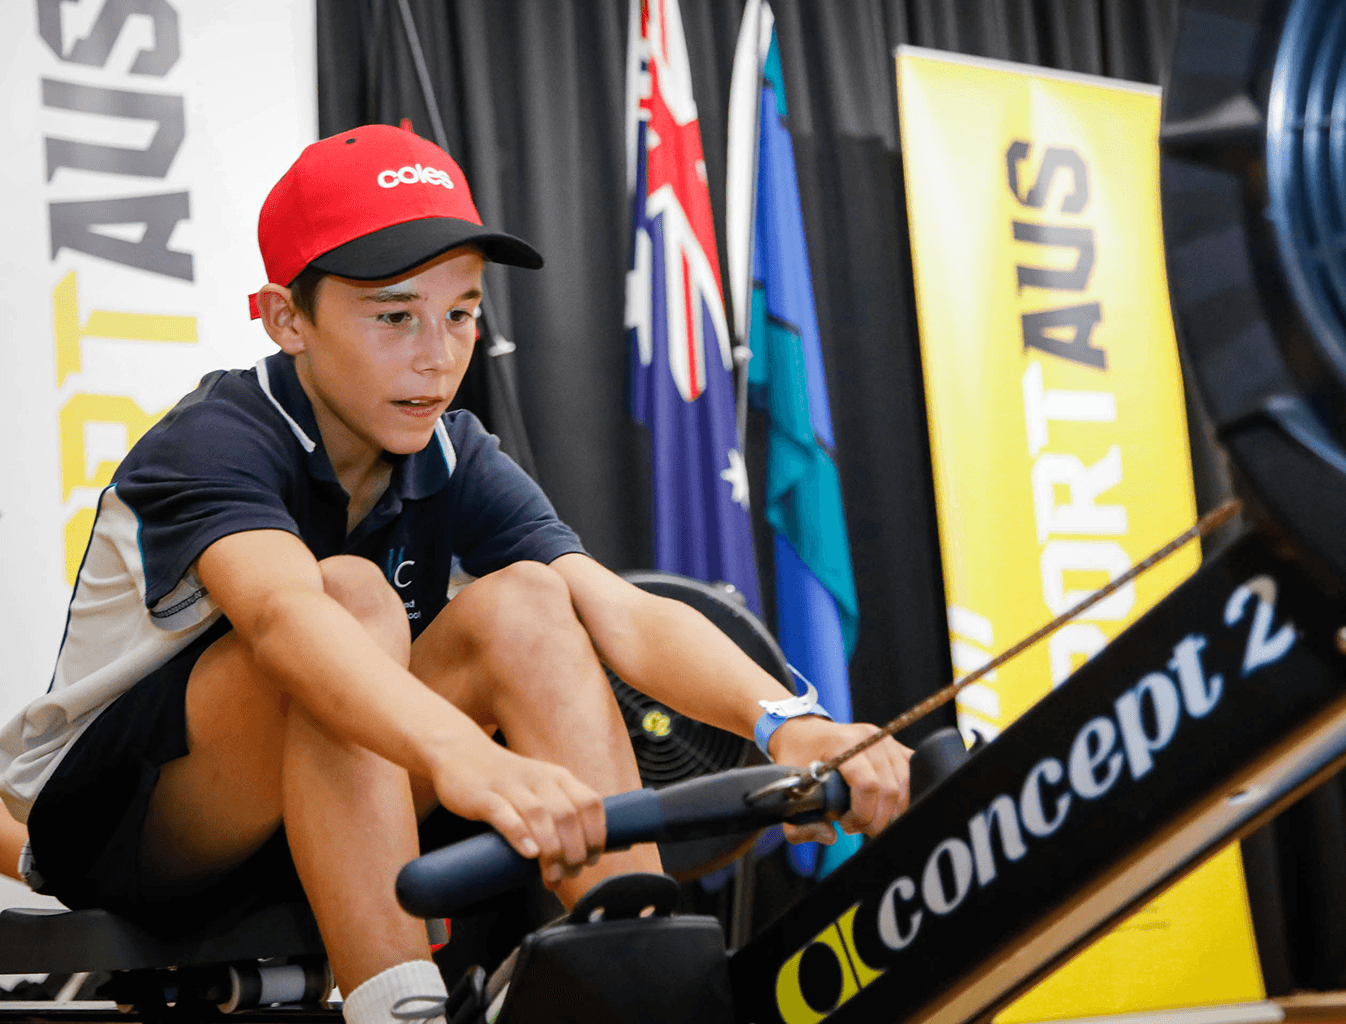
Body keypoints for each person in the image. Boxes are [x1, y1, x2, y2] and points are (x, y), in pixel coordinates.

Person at [0, 125, 911, 1024]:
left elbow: (620, 611)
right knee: (349, 594)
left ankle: (650, 978)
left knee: (531, 601)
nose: (437, 355)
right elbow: (285, 621)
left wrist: (790, 722)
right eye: (394, 315)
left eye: (462, 314)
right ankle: (400, 1010)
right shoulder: (215, 438)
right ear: (287, 319)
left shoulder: (452, 450)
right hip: (129, 833)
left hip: (328, 817)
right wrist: (470, 759)